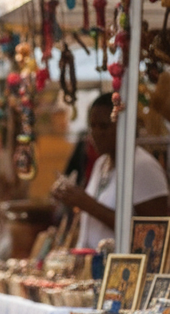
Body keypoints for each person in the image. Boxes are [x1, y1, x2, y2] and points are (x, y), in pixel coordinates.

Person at [51, 92, 169, 248]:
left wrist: (87, 204)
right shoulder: (101, 163)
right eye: (92, 126)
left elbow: (155, 233)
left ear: (124, 127)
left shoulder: (142, 166)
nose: (96, 133)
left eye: (104, 126)